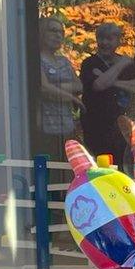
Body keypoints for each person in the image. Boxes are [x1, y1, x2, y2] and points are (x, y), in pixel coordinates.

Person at [80, 22, 135, 174]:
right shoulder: (89, 63)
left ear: (118, 41)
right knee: (101, 169)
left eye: (110, 39)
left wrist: (110, 80)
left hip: (124, 127)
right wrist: (120, 65)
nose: (105, 43)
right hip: (97, 127)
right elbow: (98, 86)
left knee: (125, 168)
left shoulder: (130, 65)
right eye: (101, 38)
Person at [36, 17, 82, 166]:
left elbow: (79, 86)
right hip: (46, 129)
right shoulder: (35, 60)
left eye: (61, 32)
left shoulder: (64, 61)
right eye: (53, 31)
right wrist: (71, 97)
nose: (58, 35)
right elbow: (42, 88)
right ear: (42, 33)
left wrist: (53, 86)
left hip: (67, 128)